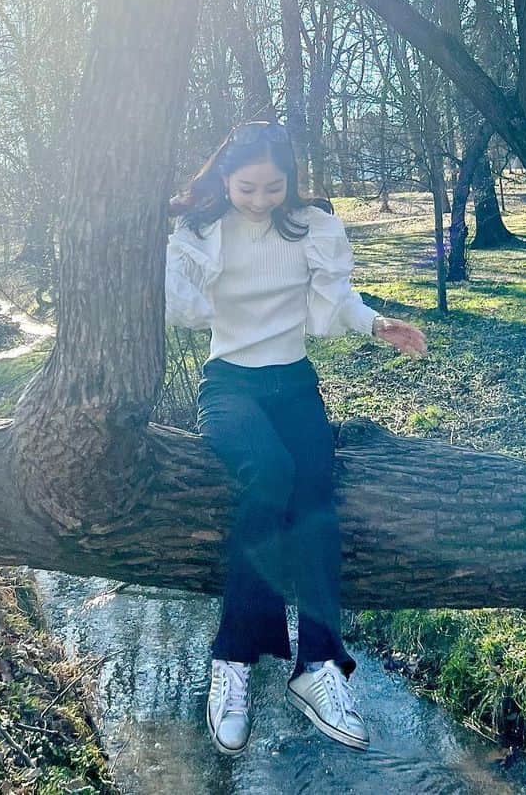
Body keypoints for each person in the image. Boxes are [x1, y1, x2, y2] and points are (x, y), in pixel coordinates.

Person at [165, 119, 427, 757]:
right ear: (226, 178)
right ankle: (232, 663)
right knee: (270, 472)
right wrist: (185, 251)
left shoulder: (314, 228)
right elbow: (177, 305)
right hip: (229, 385)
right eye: (247, 188)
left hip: (295, 382)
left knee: (314, 497)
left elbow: (335, 298)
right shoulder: (201, 233)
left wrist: (377, 325)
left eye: (272, 188)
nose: (259, 200)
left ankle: (318, 668)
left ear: (290, 181)